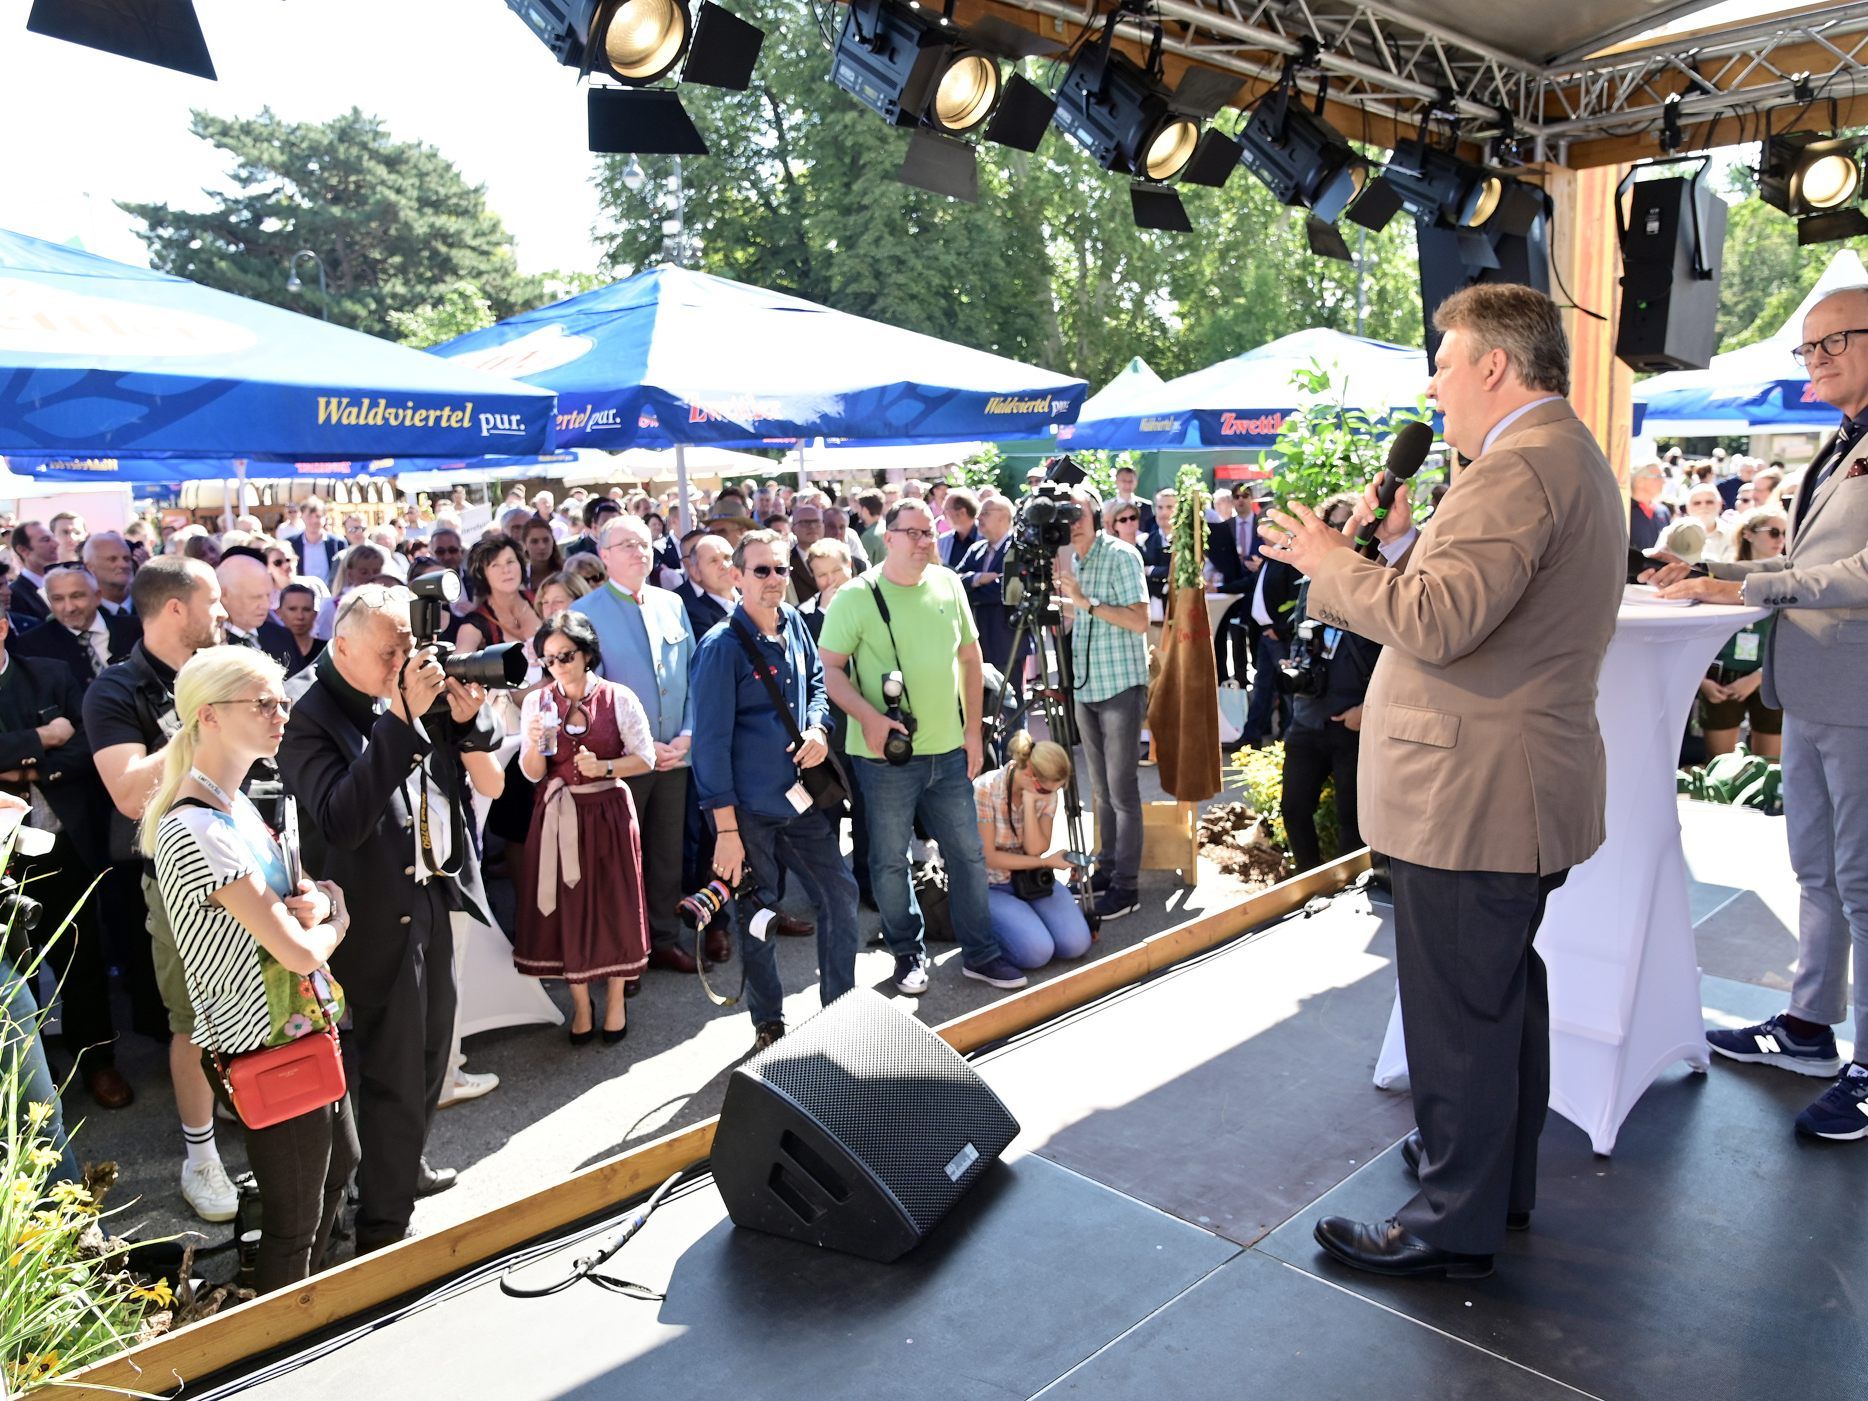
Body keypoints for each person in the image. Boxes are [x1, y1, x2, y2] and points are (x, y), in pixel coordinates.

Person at [1264, 283, 1624, 1278]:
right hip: (1508, 788)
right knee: (1497, 998)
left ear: (1493, 367)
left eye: (1442, 361)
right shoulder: (1560, 457)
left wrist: (1333, 563)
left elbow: (1436, 622)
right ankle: (1485, 1184)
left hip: (1474, 797)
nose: (1433, 384)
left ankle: (1446, 1225)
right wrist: (1384, 555)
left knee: (1460, 1018)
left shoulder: (1516, 470)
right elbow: (1459, 603)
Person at [1651, 283, 1868, 1140]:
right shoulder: (1843, 440)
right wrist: (1719, 579)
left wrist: (1756, 583)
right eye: (1806, 348)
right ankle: (1810, 1028)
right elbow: (1817, 563)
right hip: (1811, 691)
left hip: (1857, 699)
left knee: (1864, 883)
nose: (1814, 360)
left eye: (1832, 343)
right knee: (1818, 874)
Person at [278, 584, 502, 1254]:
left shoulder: (397, 688)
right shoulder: (304, 712)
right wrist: (402, 716)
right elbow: (343, 819)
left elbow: (459, 771)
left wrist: (460, 719)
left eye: (410, 643)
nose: (404, 658)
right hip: (368, 911)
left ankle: (394, 1173)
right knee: (392, 1070)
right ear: (340, 644)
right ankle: (382, 1229)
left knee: (432, 1057)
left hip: (429, 892)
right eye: (390, 648)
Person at [139, 646, 356, 1292]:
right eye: (262, 703)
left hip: (296, 1029)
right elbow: (296, 950)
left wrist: (317, 898)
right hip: (265, 1043)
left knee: (340, 1170)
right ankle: (285, 1353)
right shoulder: (200, 827)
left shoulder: (232, 805)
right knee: (294, 1222)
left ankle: (308, 1320)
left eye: (281, 701)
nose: (280, 715)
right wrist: (338, 919)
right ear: (207, 715)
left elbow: (294, 893)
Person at [819, 499, 1026, 995]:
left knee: (968, 854)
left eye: (927, 533)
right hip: (885, 758)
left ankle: (981, 953)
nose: (921, 541)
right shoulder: (855, 596)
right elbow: (829, 671)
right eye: (909, 533)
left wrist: (973, 731)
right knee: (890, 861)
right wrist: (868, 717)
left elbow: (971, 659)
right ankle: (908, 954)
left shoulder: (949, 583)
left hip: (949, 752)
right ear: (886, 538)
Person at [84, 556, 237, 1221]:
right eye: (215, 600)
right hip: (178, 881)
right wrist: (200, 715)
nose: (226, 614)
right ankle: (200, 1158)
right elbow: (125, 792)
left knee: (267, 1003)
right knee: (193, 1020)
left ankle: (261, 1113)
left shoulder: (236, 661)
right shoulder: (114, 690)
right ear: (175, 608)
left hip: (252, 857)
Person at [690, 531, 860, 1053]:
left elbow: (815, 686)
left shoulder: (794, 625)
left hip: (801, 800)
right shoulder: (720, 648)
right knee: (758, 914)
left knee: (841, 894)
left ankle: (842, 1010)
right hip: (747, 813)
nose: (773, 580)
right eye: (760, 570)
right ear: (737, 577)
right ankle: (769, 1023)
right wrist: (725, 830)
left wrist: (818, 729)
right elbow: (709, 747)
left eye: (781, 570)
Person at [514, 611, 650, 1042]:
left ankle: (614, 1000)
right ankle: (579, 1005)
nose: (556, 666)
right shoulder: (538, 703)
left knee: (614, 906)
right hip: (557, 817)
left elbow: (645, 758)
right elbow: (533, 774)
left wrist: (605, 765)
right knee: (566, 910)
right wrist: (535, 743)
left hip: (607, 812)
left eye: (565, 656)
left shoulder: (618, 697)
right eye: (548, 659)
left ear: (587, 654)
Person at [577, 515, 702, 975]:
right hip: (626, 760)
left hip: (675, 755)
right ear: (604, 555)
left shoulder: (672, 603)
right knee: (622, 860)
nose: (639, 552)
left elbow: (692, 678)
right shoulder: (586, 612)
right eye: (627, 544)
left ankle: (665, 938)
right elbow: (592, 693)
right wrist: (644, 743)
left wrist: (687, 735)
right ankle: (624, 952)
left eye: (646, 543)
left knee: (667, 854)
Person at [1056, 487, 1151, 919]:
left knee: (1122, 791)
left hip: (1119, 688)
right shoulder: (1075, 560)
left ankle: (1126, 888)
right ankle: (1107, 869)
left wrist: (1085, 604)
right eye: (1064, 512)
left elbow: (1139, 620)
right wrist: (1072, 611)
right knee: (1101, 791)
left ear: (1096, 511)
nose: (1072, 519)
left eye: (1078, 510)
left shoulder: (1121, 555)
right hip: (1087, 687)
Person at [1278, 498, 1382, 873]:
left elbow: (1395, 657)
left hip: (1352, 720)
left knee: (1352, 823)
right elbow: (1301, 637)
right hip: (1308, 716)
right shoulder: (1309, 581)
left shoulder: (1379, 579)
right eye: (1335, 526)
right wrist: (1295, 663)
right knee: (1293, 807)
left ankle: (1349, 895)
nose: (1343, 534)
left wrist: (1367, 711)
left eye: (1350, 525)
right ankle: (1308, 885)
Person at [974, 732, 1092, 969]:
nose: (1053, 794)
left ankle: (1025, 919)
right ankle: (985, 935)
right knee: (1037, 953)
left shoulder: (1044, 791)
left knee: (1076, 944)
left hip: (1031, 881)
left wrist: (1029, 803)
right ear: (1030, 774)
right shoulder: (985, 789)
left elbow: (1036, 848)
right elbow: (990, 857)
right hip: (991, 884)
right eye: (1049, 790)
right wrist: (1045, 863)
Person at [1692, 509, 1786, 760]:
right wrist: (1701, 681)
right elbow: (1698, 633)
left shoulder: (1789, 580)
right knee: (1720, 768)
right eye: (1774, 532)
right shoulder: (1721, 574)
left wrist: (1758, 677)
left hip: (1768, 677)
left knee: (1768, 769)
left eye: (1786, 534)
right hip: (1720, 679)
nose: (1781, 540)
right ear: (1748, 534)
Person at [13, 565, 140, 681]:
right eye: (58, 599)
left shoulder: (137, 628)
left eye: (77, 596)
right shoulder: (31, 646)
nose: (69, 608)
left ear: (97, 597)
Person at [9, 521, 59, 623]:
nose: (56, 544)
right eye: (46, 540)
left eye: (53, 538)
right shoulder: (14, 594)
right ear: (23, 550)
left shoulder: (66, 583)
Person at [82, 532, 137, 617]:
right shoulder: (83, 613)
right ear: (89, 567)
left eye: (127, 559)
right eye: (112, 559)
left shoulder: (152, 604)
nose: (123, 565)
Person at [291, 498, 342, 583]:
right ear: (302, 516)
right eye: (309, 516)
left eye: (318, 516)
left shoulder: (337, 543)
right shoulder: (292, 544)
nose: (314, 521)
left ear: (325, 518)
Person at [1628, 463, 1671, 551]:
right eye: (1659, 476)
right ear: (1639, 481)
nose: (1664, 481)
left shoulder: (1663, 511)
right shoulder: (1624, 511)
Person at [939, 489, 980, 568]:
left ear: (962, 512)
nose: (943, 515)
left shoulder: (986, 538)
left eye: (946, 510)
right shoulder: (943, 541)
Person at [1110, 465, 1156, 533]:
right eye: (1124, 481)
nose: (1127, 485)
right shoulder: (1109, 507)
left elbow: (1152, 531)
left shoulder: (1147, 507)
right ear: (1116, 482)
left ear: (1136, 482)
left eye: (1130, 481)